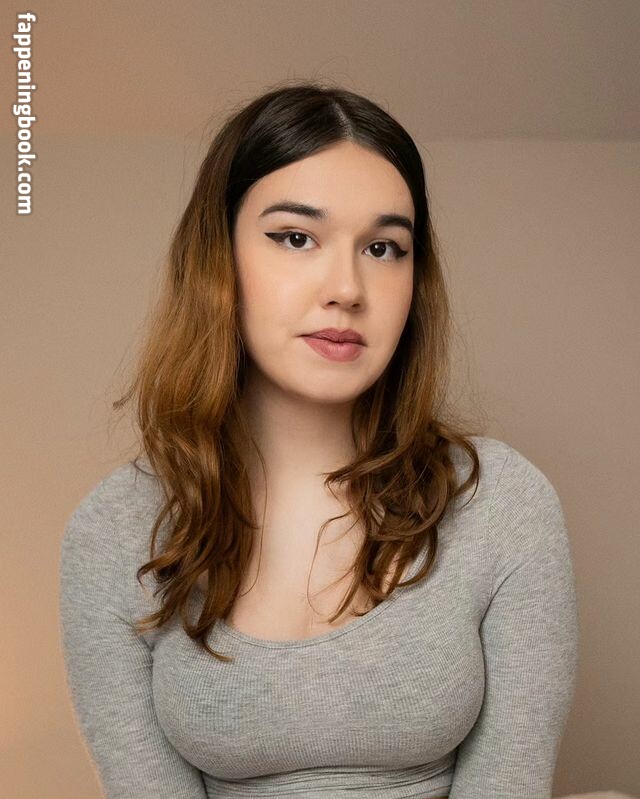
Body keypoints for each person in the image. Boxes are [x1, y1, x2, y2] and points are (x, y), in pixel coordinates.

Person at [58, 81, 579, 799]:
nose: (348, 287)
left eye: (384, 248)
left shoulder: (502, 504)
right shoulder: (115, 531)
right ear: (218, 259)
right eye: (296, 237)